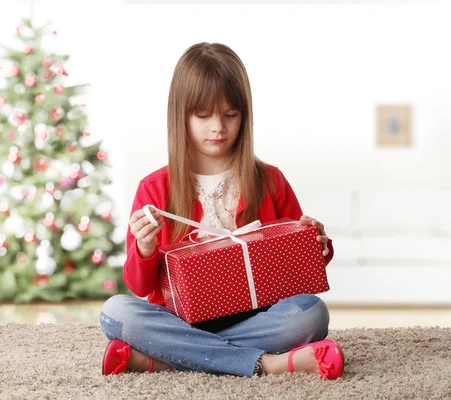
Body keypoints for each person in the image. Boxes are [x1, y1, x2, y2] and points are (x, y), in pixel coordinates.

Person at [100, 42, 344, 379]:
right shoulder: (154, 189)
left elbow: (298, 277)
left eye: (230, 115)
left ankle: (171, 357)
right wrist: (143, 248)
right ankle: (269, 363)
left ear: (245, 115)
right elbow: (139, 286)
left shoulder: (270, 181)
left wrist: (316, 245)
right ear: (180, 115)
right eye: (203, 115)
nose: (218, 127)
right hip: (178, 319)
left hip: (257, 316)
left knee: (312, 314)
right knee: (115, 311)